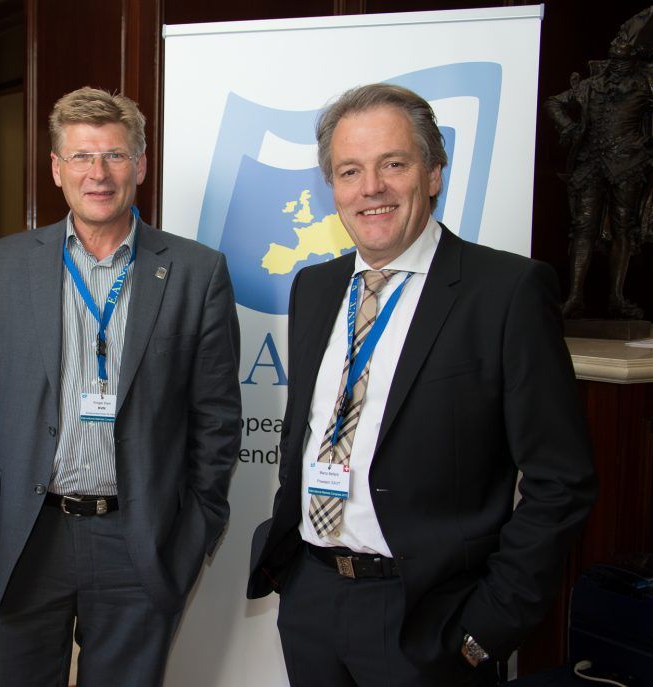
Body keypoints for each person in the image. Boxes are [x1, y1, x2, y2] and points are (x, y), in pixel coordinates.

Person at [248, 84, 597, 686]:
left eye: (393, 164)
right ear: (332, 186)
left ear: (433, 174)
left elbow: (561, 480)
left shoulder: (506, 292)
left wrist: (489, 626)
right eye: (350, 171)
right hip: (312, 599)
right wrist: (295, 579)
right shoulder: (315, 287)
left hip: (428, 619)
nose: (371, 188)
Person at [0, 86, 242, 687]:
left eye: (114, 155)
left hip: (138, 540)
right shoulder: (4, 264)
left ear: (140, 165)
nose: (97, 173)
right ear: (57, 169)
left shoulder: (196, 271)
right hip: (25, 536)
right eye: (81, 156)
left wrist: (190, 538)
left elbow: (217, 421)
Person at [545, 6, 653, 319]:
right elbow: (554, 102)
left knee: (623, 227)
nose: (617, 66)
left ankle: (616, 296)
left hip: (627, 163)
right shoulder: (592, 85)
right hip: (591, 163)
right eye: (614, 59)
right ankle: (575, 296)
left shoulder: (644, 86)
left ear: (634, 59)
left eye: (623, 59)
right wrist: (568, 126)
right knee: (583, 226)